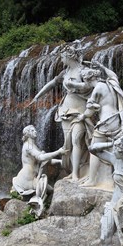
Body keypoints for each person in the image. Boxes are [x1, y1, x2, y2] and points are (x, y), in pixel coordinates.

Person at [31, 45, 93, 181]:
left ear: (69, 56)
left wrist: (74, 86)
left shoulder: (84, 71)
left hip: (80, 110)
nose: (61, 59)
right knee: (68, 143)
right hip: (65, 110)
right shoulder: (65, 72)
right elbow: (52, 84)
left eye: (62, 57)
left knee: (77, 140)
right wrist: (37, 96)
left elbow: (91, 85)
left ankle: (76, 174)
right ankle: (72, 172)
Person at [77, 64, 123, 188]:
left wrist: (81, 117)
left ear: (87, 79)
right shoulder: (110, 83)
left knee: (94, 149)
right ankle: (119, 181)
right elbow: (113, 75)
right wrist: (102, 66)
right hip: (116, 120)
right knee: (115, 150)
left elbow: (89, 112)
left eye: (84, 80)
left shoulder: (97, 88)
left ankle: (92, 180)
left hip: (106, 122)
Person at [12, 125, 66, 216]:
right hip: (27, 179)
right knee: (47, 191)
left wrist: (59, 161)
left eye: (35, 130)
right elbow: (41, 157)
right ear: (28, 133)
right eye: (32, 130)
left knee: (50, 191)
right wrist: (58, 152)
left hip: (33, 177)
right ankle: (36, 211)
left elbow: (45, 160)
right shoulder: (28, 146)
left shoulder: (33, 145)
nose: (35, 132)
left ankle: (43, 209)